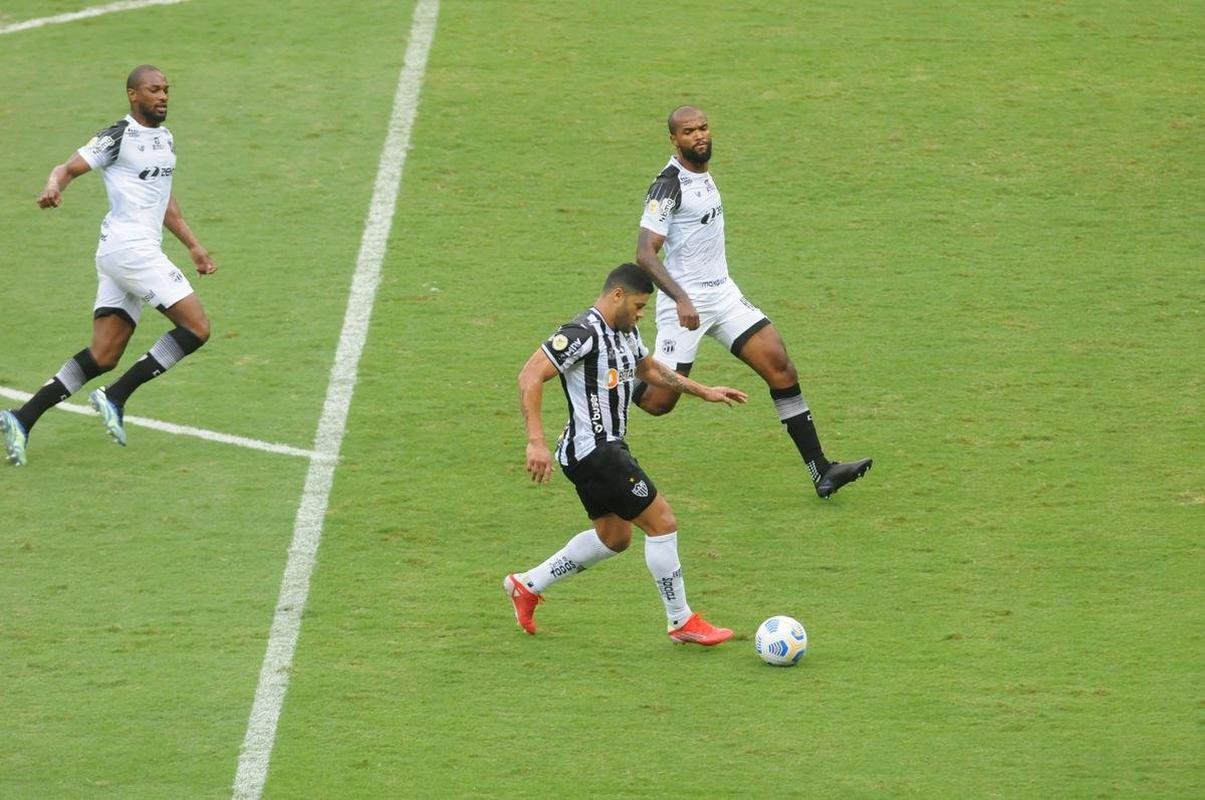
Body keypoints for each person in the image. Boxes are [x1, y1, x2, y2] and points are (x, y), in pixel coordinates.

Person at [633, 106, 872, 499]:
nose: (699, 136)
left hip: (723, 294)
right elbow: (645, 253)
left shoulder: (703, 173)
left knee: (781, 367)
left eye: (704, 128)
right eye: (689, 131)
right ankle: (613, 374)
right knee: (659, 402)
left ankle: (822, 470)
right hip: (686, 304)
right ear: (673, 140)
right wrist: (680, 299)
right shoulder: (667, 186)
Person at [504, 263, 748, 645]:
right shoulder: (581, 333)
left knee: (614, 537)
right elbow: (529, 375)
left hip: (592, 452)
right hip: (596, 451)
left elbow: (648, 369)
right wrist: (535, 440)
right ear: (616, 295)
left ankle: (527, 585)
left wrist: (705, 391)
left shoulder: (626, 332)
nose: (639, 314)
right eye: (637, 306)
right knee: (662, 522)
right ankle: (680, 620)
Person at [1, 65, 216, 466]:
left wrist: (195, 246)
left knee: (104, 354)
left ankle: (21, 418)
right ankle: (115, 396)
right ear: (134, 95)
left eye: (167, 89)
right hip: (130, 250)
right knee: (197, 327)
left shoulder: (166, 139)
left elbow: (165, 202)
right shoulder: (118, 136)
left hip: (124, 253)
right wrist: (52, 186)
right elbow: (66, 168)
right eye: (154, 90)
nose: (163, 96)